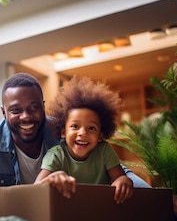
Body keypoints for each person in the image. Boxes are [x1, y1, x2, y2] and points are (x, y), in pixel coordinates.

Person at [0, 72, 177, 221]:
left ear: (43, 107)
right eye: (15, 111)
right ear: (3, 112)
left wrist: (164, 202)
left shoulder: (64, 130)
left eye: (33, 108)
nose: (26, 117)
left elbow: (117, 172)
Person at [34, 76, 133, 204]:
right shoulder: (56, 155)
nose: (83, 133)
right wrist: (50, 179)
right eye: (75, 126)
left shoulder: (104, 151)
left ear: (100, 135)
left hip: (100, 208)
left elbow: (119, 177)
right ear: (63, 131)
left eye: (91, 128)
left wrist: (123, 181)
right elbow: (35, 190)